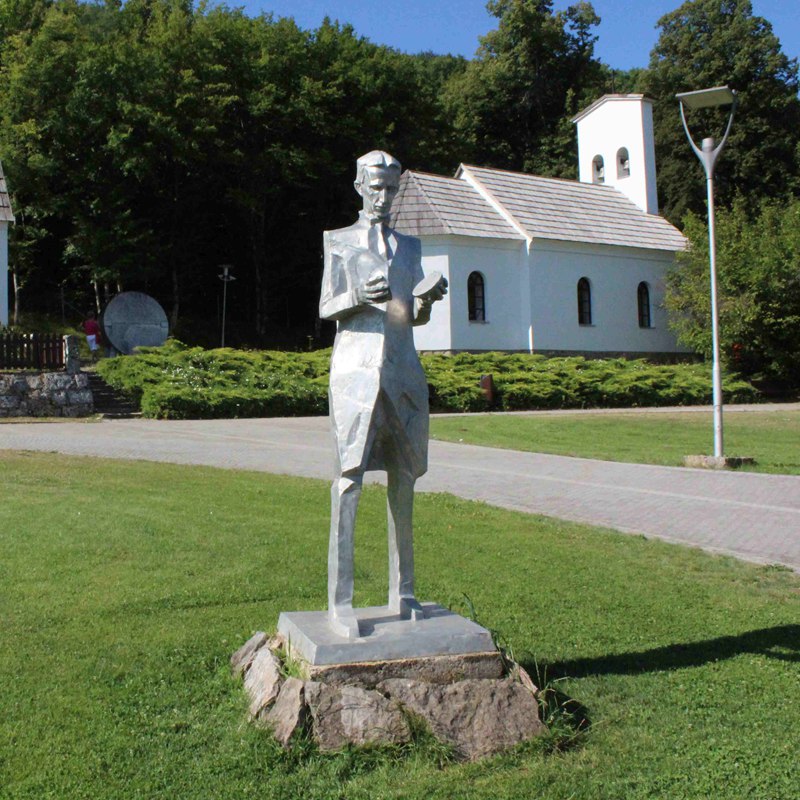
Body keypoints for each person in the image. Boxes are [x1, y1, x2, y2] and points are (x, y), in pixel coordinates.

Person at [320, 150, 447, 639]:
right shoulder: (339, 241)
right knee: (348, 483)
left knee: (404, 483)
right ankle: (341, 602)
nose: (383, 197)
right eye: (375, 187)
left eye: (391, 188)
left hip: (403, 374)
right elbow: (327, 305)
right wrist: (357, 297)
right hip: (354, 376)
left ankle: (405, 592)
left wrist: (423, 304)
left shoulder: (411, 248)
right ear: (359, 187)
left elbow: (404, 316)